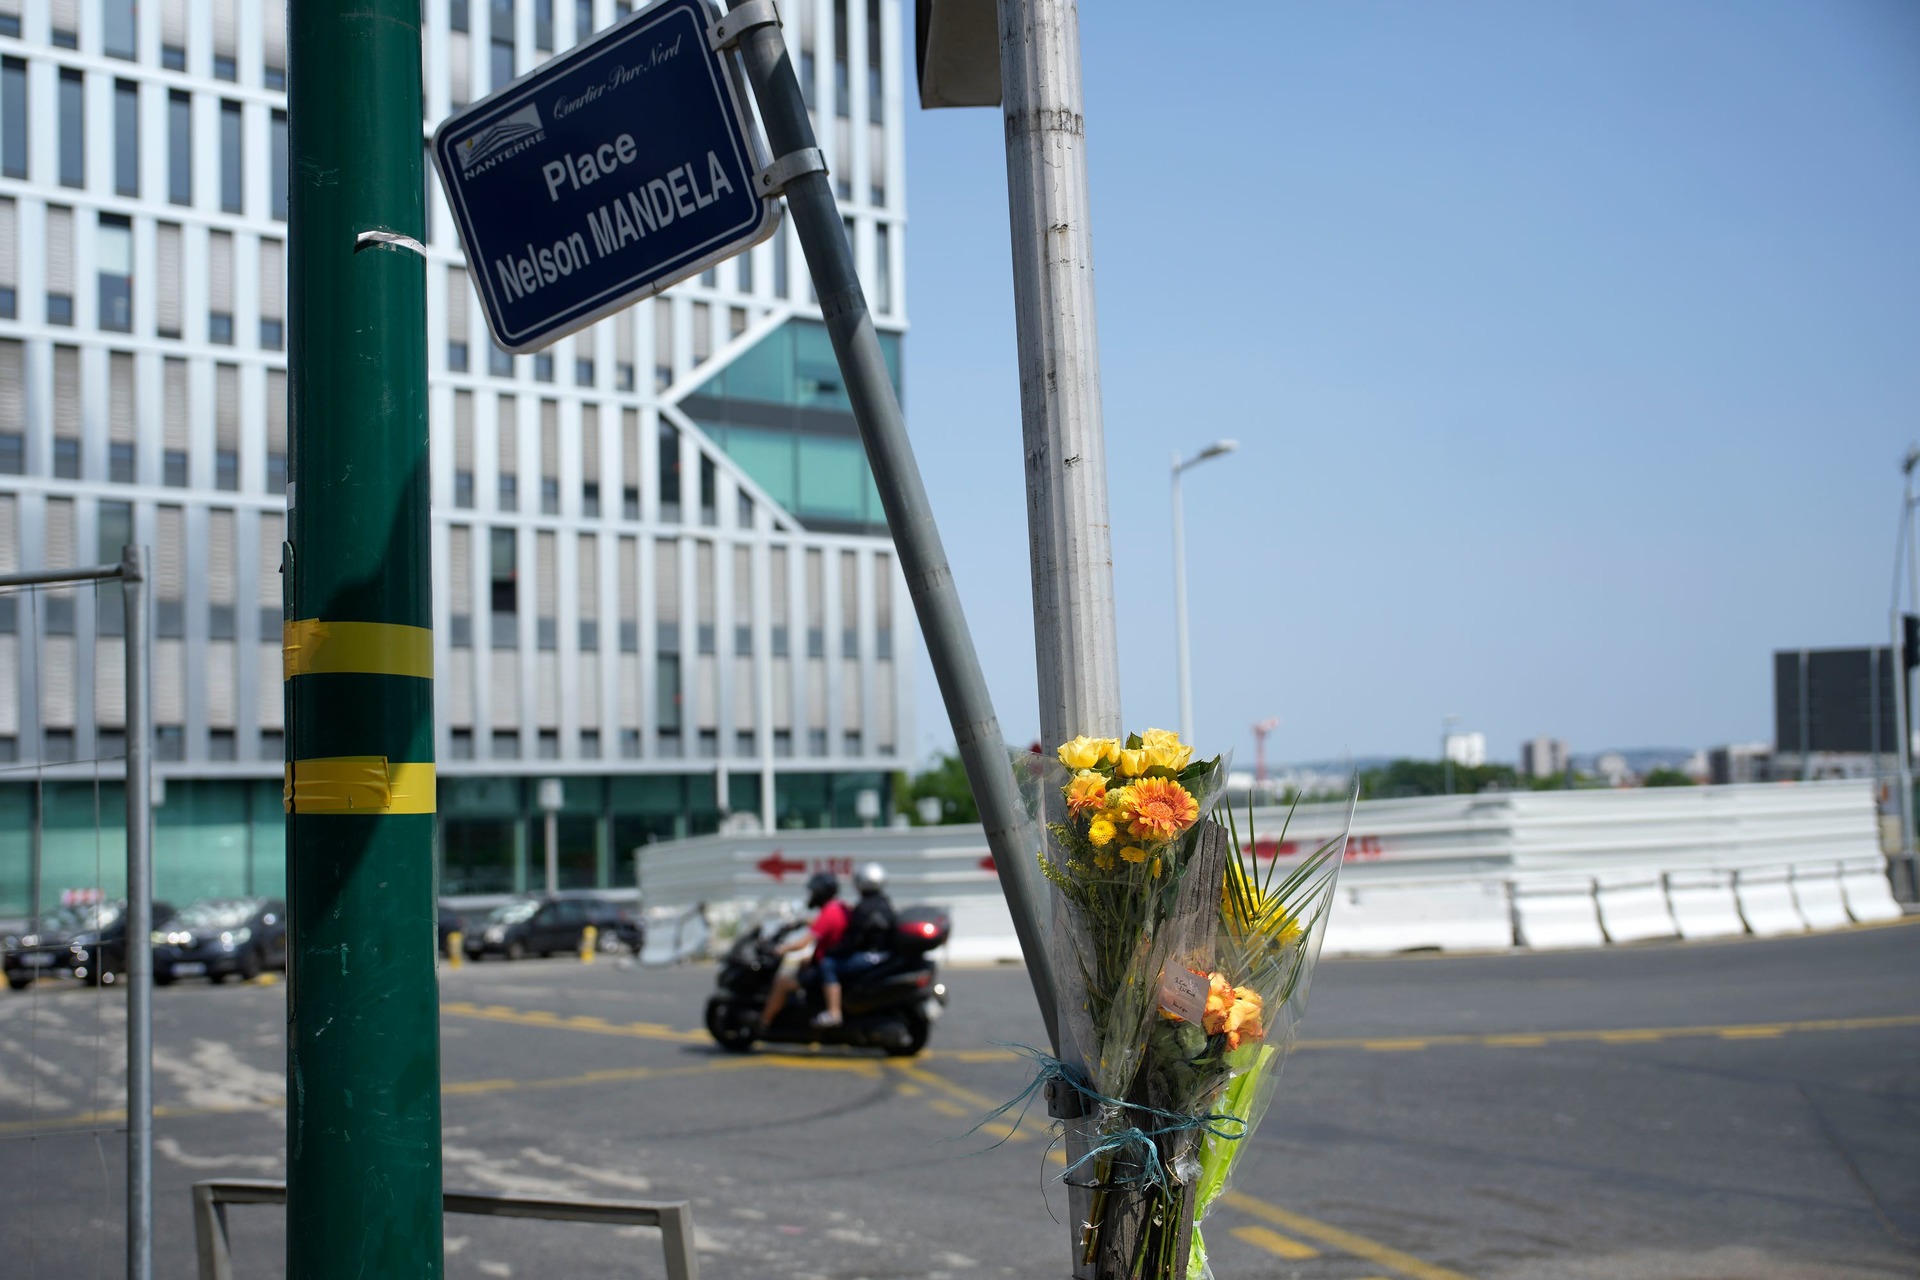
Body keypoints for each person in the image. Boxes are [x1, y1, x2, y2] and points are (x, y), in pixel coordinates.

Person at [758, 871, 848, 1029]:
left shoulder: (828, 912)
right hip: (829, 959)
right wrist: (804, 922)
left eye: (813, 891)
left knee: (782, 983)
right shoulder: (838, 907)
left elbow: (803, 943)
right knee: (802, 964)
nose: (811, 895)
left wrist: (782, 948)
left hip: (824, 965)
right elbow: (821, 925)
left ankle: (764, 1022)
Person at [828, 862, 898, 994]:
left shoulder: (863, 907)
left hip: (869, 956)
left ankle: (833, 1009)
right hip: (885, 955)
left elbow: (853, 939)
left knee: (828, 965)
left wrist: (833, 952)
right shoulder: (886, 903)